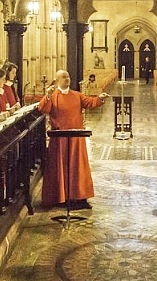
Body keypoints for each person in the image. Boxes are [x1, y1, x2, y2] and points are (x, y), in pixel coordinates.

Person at [38, 70, 110, 209]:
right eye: (64, 77)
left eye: (68, 76)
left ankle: (79, 197)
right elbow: (43, 108)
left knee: (78, 167)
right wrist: (46, 96)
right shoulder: (53, 96)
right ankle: (61, 198)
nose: (67, 79)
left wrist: (100, 98)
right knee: (61, 167)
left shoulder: (76, 95)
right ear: (57, 80)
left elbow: (90, 102)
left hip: (76, 138)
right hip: (60, 140)